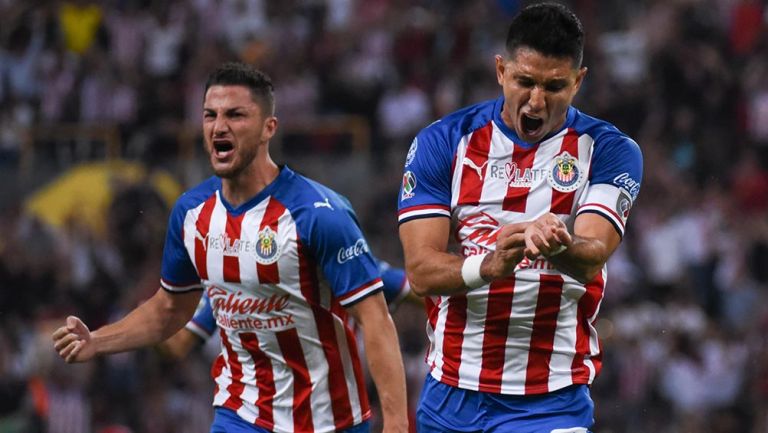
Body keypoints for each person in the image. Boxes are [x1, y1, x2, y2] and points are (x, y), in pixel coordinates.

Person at [53, 61, 409, 433]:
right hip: (240, 414)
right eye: (210, 115)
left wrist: (397, 424)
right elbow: (168, 309)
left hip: (329, 420)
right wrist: (97, 341)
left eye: (235, 115)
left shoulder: (319, 214)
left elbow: (376, 320)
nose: (219, 126)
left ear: (268, 128)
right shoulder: (191, 212)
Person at [397, 3, 643, 433]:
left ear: (578, 82)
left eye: (554, 86)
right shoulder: (444, 142)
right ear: (500, 71)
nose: (536, 100)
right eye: (524, 81)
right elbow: (420, 271)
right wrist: (489, 265)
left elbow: (592, 257)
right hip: (452, 393)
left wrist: (555, 240)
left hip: (551, 401)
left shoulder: (609, 150)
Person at [158, 260, 412, 360]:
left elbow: (417, 288)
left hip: (332, 406)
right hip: (264, 409)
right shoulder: (229, 277)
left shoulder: (344, 262)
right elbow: (179, 343)